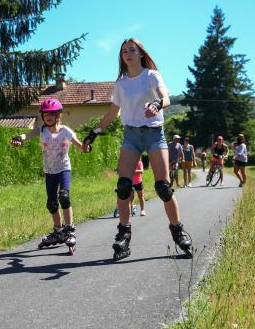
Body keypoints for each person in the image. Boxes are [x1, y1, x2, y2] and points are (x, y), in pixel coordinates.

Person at [82, 38, 193, 260]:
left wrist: (158, 104)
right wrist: (94, 132)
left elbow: (166, 97)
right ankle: (124, 235)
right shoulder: (121, 83)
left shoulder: (151, 75)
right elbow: (113, 112)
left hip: (153, 133)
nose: (128, 53)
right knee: (123, 186)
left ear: (141, 54)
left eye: (132, 50)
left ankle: (178, 231)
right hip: (131, 135)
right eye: (124, 51)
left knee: (163, 187)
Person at [11, 98, 86, 255]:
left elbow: (80, 145)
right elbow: (27, 134)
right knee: (51, 204)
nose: (48, 117)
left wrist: (87, 148)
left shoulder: (66, 131)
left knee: (64, 197)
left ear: (58, 115)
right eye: (45, 114)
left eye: (51, 114)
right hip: (49, 171)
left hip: (64, 169)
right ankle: (58, 231)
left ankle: (69, 230)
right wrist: (19, 138)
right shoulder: (41, 130)